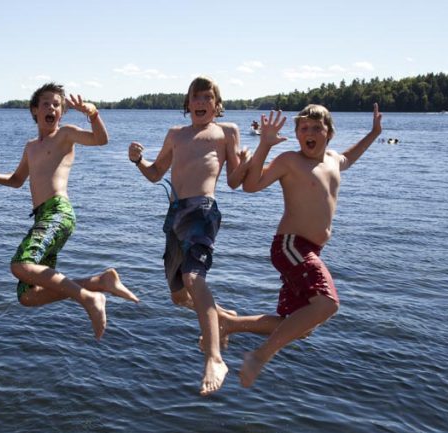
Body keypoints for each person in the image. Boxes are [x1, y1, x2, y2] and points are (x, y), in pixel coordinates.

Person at [0, 83, 138, 340]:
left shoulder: (65, 135)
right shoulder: (30, 147)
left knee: (20, 265)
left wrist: (93, 114)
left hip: (58, 211)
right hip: (42, 217)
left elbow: (101, 140)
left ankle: (89, 299)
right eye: (46, 103)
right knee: (28, 296)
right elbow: (16, 180)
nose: (52, 108)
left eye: (57, 105)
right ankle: (100, 282)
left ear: (62, 113)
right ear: (35, 110)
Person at [230, 103, 382, 387]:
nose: (310, 133)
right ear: (297, 135)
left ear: (329, 134)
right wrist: (264, 143)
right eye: (304, 129)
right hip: (291, 246)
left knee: (300, 325)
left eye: (316, 128)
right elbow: (251, 185)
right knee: (327, 304)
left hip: (311, 249)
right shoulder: (290, 160)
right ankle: (259, 356)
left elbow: (352, 156)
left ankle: (230, 324)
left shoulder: (334, 159)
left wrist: (374, 133)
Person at [128, 76, 250, 396]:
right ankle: (225, 319)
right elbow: (156, 174)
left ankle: (214, 358)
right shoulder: (175, 135)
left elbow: (236, 180)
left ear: (217, 105)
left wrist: (254, 156)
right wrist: (138, 160)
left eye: (207, 98)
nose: (200, 103)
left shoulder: (226, 133)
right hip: (175, 216)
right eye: (195, 98)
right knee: (179, 295)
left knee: (195, 279)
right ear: (188, 103)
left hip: (203, 212)